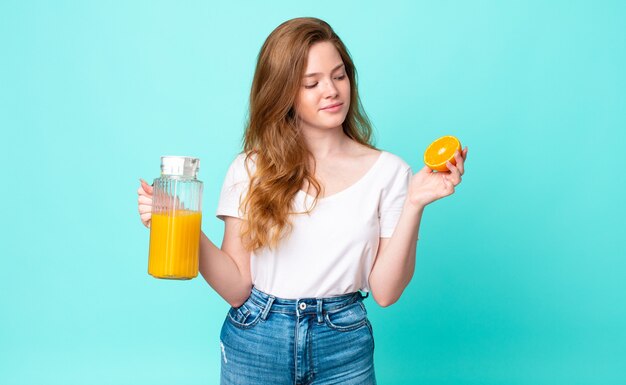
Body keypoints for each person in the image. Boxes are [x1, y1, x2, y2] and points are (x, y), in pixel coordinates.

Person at [137, 17, 467, 385]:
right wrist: (183, 227)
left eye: (339, 76)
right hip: (256, 337)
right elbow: (236, 288)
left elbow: (386, 292)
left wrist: (414, 204)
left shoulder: (389, 172)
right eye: (311, 83)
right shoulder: (250, 169)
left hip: (343, 339)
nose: (331, 91)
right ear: (283, 93)